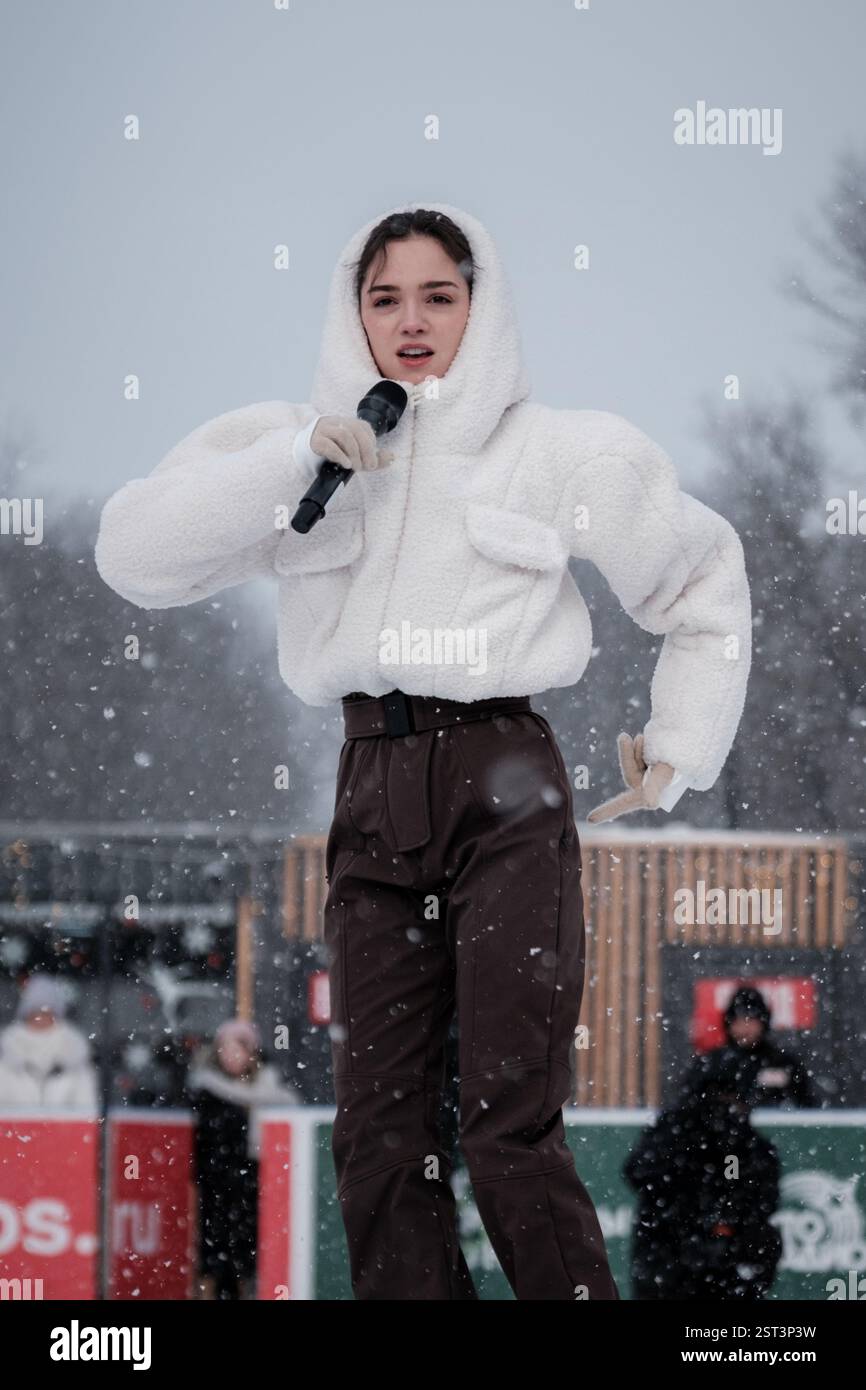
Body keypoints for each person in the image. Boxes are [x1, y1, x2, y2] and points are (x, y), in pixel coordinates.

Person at [94, 201, 752, 1300]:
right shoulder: (306, 447)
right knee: (380, 1136)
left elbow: (701, 577)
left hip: (505, 788)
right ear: (350, 308)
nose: (410, 320)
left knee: (507, 1128)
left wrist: (678, 743)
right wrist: (293, 459)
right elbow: (135, 553)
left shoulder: (555, 451)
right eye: (383, 295)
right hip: (371, 788)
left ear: (477, 308)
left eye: (436, 296)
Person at [623, 1055, 782, 1300]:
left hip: (724, 1267)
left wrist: (726, 1226)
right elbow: (639, 1173)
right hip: (671, 1260)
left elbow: (761, 1202)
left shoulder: (748, 1146)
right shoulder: (676, 1132)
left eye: (734, 1099)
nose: (727, 1108)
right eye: (721, 1097)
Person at [186, 1017, 299, 1300]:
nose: (231, 1056)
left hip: (253, 1191)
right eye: (225, 1048)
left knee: (247, 1261)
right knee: (214, 1260)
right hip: (216, 1191)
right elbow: (200, 1145)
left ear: (252, 1053)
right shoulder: (206, 1093)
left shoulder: (273, 1095)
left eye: (238, 1048)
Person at [684, 985, 816, 1109]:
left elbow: (804, 1112)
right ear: (729, 1024)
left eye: (752, 1020)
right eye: (739, 1021)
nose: (745, 1028)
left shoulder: (783, 1063)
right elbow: (688, 1108)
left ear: (763, 1023)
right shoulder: (711, 1063)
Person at [0, 974, 99, 1109]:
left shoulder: (76, 1063)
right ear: (26, 1014)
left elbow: (86, 1114)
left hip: (65, 1130)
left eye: (47, 1012)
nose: (40, 1018)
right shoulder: (6, 1064)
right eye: (35, 1011)